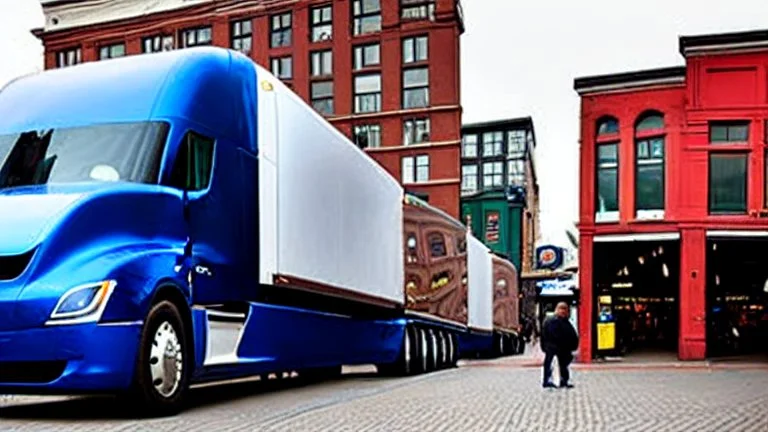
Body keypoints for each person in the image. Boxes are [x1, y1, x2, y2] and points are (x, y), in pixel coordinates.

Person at [541, 302, 579, 389]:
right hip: (556, 350)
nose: (565, 312)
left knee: (560, 365)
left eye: (565, 310)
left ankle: (561, 380)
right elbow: (557, 336)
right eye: (563, 310)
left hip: (559, 350)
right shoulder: (554, 321)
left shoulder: (562, 321)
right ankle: (552, 381)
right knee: (555, 365)